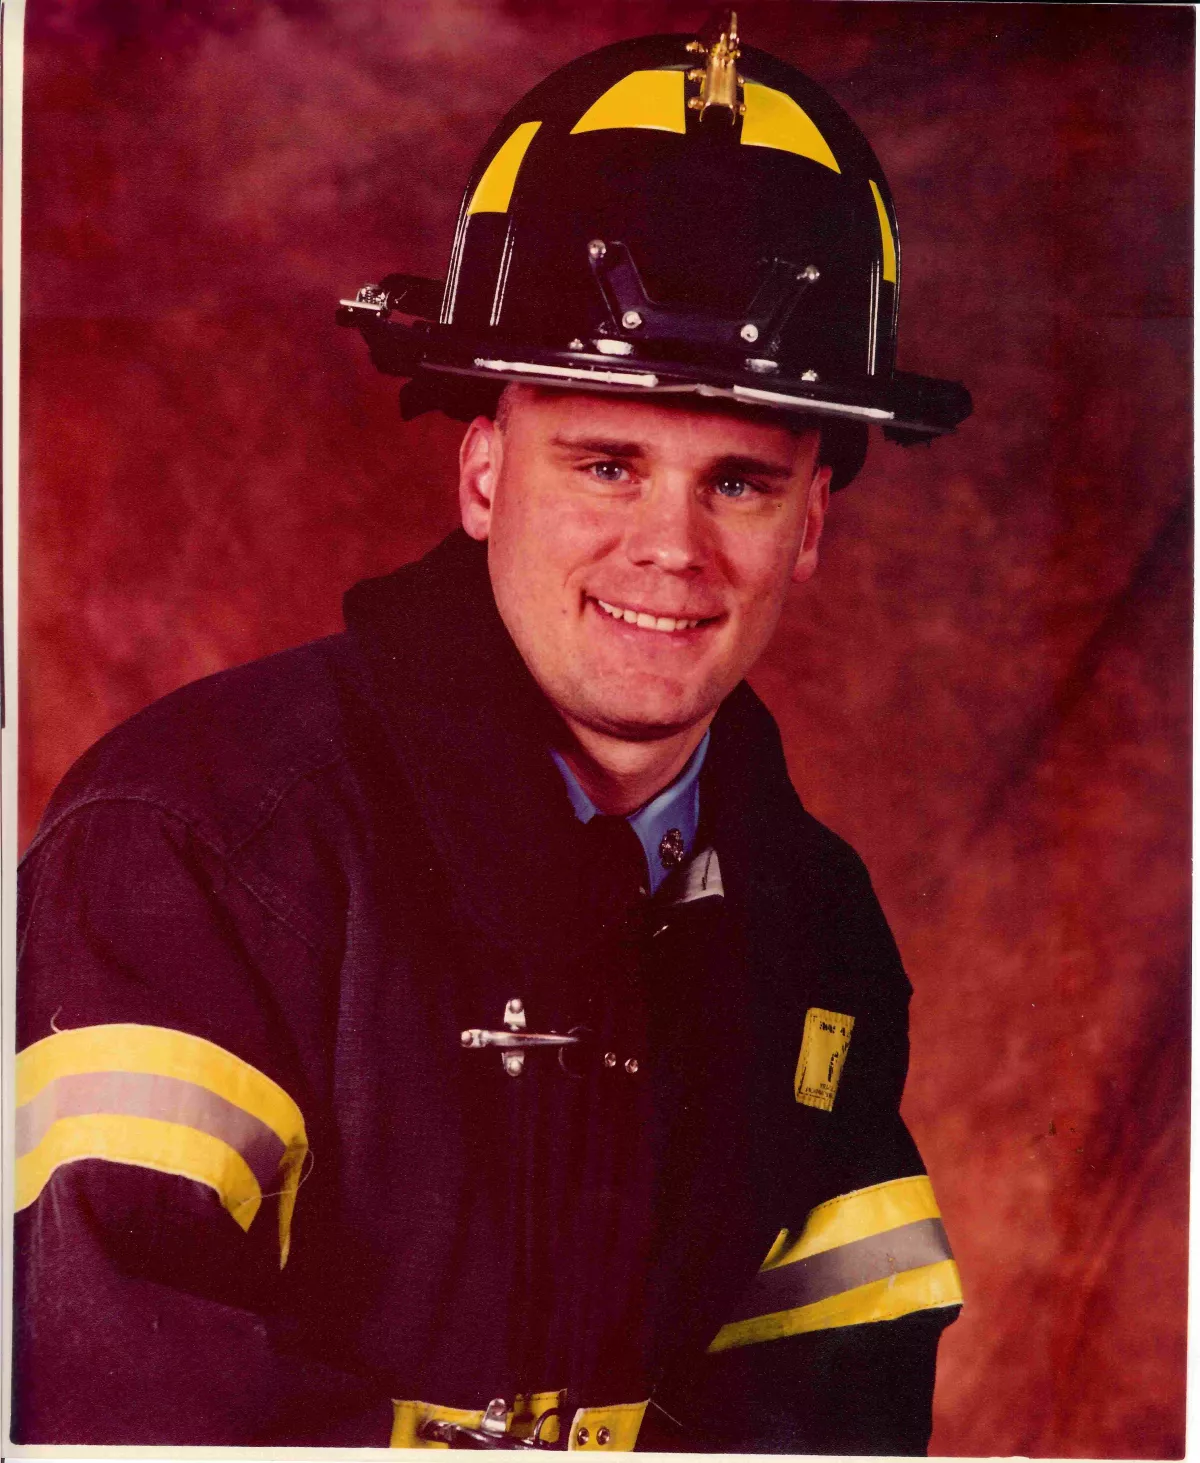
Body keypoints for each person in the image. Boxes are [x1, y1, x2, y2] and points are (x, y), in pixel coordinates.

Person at [13, 17, 972, 1453]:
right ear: (480, 470)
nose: (673, 550)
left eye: (742, 485)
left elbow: (840, 1404)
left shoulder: (816, 924)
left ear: (813, 525)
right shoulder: (198, 843)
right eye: (606, 463)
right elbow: (108, 1397)